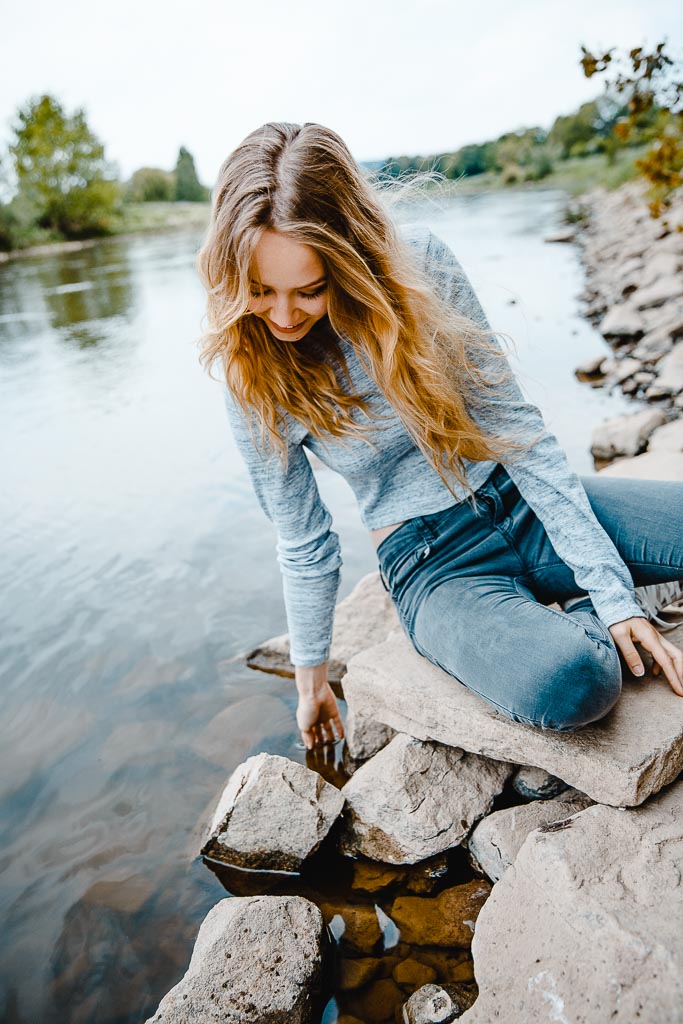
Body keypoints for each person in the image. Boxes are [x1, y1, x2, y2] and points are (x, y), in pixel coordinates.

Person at [196, 121, 683, 752]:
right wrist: (309, 682)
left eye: (309, 290)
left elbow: (518, 432)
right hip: (434, 566)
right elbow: (305, 542)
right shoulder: (249, 370)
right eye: (260, 291)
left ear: (350, 260)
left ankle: (607, 596)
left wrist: (611, 597)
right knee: (577, 683)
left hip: (518, 498)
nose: (283, 316)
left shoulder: (420, 263)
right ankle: (593, 609)